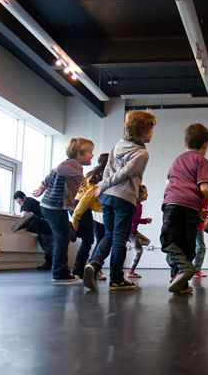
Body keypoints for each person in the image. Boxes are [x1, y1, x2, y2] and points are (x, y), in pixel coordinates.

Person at [83, 110, 156, 292]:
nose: (152, 133)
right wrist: (104, 184)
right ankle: (116, 280)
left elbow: (108, 168)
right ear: (142, 130)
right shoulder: (142, 153)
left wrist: (103, 186)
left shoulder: (119, 144)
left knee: (109, 234)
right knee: (119, 239)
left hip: (107, 196)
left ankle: (93, 264)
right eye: (151, 129)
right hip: (124, 198)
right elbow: (124, 174)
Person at [161, 123, 208, 295]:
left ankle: (179, 277)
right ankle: (185, 273)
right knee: (187, 246)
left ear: (186, 142)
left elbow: (168, 183)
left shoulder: (177, 160)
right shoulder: (202, 160)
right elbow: (203, 188)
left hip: (172, 204)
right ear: (205, 144)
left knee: (169, 241)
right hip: (190, 208)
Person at [34, 138, 94, 284]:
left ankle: (35, 223)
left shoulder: (69, 165)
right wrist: (86, 183)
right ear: (79, 154)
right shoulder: (72, 165)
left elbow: (51, 175)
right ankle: (60, 273)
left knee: (63, 235)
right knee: (62, 238)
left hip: (51, 206)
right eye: (90, 153)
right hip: (55, 207)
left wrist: (41, 188)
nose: (92, 156)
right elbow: (60, 170)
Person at [71, 153, 109, 280]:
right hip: (80, 207)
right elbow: (87, 198)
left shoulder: (93, 173)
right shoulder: (99, 177)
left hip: (83, 207)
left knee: (97, 239)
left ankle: (93, 268)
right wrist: (76, 217)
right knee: (88, 240)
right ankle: (79, 271)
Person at [12, 191, 52, 271]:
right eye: (18, 202)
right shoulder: (26, 203)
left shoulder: (28, 201)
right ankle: (49, 264)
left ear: (24, 197)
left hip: (45, 227)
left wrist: (14, 216)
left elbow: (24, 215)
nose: (20, 204)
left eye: (20, 201)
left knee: (48, 246)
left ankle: (50, 264)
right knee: (46, 246)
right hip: (44, 227)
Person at [128, 185, 152, 278]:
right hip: (130, 232)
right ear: (139, 194)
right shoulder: (135, 205)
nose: (147, 195)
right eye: (145, 193)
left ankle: (132, 243)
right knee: (139, 251)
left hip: (134, 231)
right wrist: (145, 220)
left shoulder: (139, 205)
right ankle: (131, 272)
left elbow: (135, 219)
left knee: (147, 241)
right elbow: (133, 219)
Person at [194, 200, 208, 278]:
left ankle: (196, 270)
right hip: (194, 224)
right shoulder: (195, 196)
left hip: (202, 222)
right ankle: (196, 270)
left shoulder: (206, 197)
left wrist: (207, 220)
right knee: (201, 247)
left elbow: (207, 212)